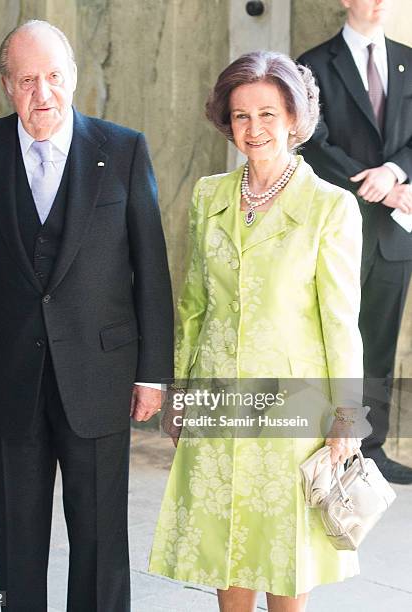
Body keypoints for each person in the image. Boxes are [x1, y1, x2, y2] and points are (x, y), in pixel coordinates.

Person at [0, 20, 173, 612]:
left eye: (52, 77)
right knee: (17, 538)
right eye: (26, 80)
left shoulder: (122, 149)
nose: (41, 93)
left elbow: (152, 269)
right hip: (6, 372)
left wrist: (153, 372)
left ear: (72, 78)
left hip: (100, 373)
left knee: (99, 540)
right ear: (5, 86)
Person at [149, 51, 364, 612]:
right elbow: (193, 301)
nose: (254, 129)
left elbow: (341, 321)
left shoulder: (329, 207)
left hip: (293, 407)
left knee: (284, 552)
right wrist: (180, 392)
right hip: (218, 396)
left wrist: (347, 415)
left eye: (269, 114)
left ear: (294, 118)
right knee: (224, 543)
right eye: (241, 116)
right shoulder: (208, 195)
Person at [297, 0, 412, 484]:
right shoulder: (314, 64)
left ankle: (371, 450)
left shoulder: (409, 60)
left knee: (380, 345)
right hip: (338, 226)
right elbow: (311, 138)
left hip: (393, 232)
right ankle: (325, 446)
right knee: (331, 340)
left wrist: (395, 173)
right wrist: (370, 182)